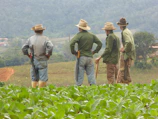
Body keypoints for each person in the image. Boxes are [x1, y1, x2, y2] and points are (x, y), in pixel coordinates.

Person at [70, 19, 102, 86]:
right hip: (90, 57)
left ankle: (78, 88)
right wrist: (94, 51)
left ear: (80, 28)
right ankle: (93, 88)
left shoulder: (79, 35)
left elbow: (71, 43)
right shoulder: (91, 35)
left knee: (79, 75)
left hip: (81, 57)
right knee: (91, 74)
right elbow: (100, 44)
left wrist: (74, 52)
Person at [116, 18, 136, 84]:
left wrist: (124, 49)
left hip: (126, 55)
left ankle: (123, 84)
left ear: (120, 26)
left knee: (123, 71)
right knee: (126, 71)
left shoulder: (124, 32)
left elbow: (129, 42)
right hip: (130, 54)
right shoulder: (128, 31)